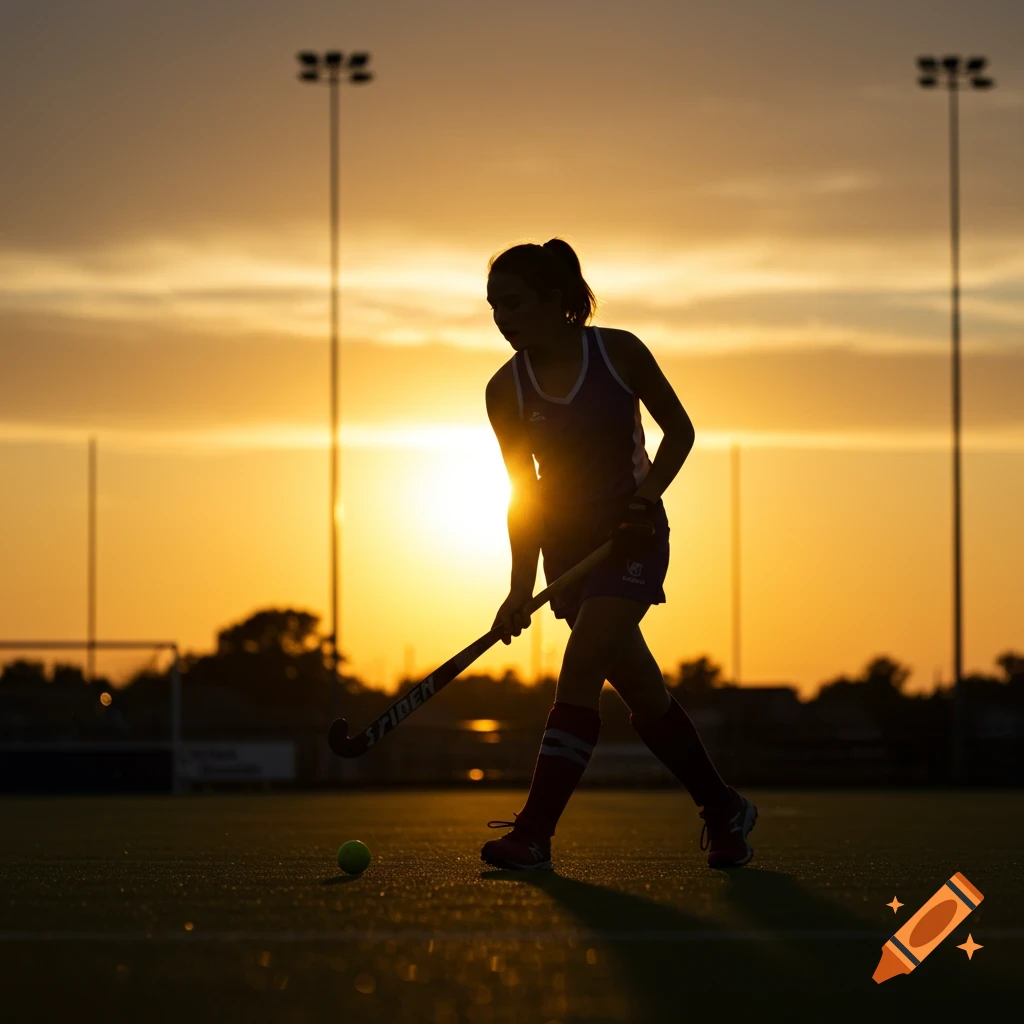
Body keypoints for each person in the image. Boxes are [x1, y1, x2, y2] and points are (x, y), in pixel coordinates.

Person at [479, 238, 757, 872]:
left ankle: (534, 834)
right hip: (568, 553)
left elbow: (679, 431)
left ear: (554, 300)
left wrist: (644, 500)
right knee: (644, 694)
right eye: (494, 306)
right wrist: (519, 587)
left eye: (513, 303)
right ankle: (725, 808)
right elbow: (523, 494)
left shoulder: (618, 352)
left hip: (632, 538)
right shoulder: (504, 391)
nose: (502, 318)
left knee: (579, 669)